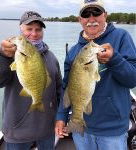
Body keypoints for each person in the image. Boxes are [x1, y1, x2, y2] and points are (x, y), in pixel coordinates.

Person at [55, 0, 136, 150]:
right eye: (86, 14)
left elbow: (132, 79)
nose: (91, 19)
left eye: (96, 12)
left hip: (113, 129)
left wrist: (114, 60)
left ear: (105, 15)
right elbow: (67, 87)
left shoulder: (121, 37)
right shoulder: (73, 52)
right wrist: (61, 115)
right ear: (80, 20)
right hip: (83, 129)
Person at [0, 11, 62, 150]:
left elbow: (59, 90)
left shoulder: (52, 58)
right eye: (29, 28)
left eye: (38, 29)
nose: (33, 33)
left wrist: (60, 117)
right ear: (21, 28)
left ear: (42, 31)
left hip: (47, 130)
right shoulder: (9, 54)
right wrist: (2, 56)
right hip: (17, 132)